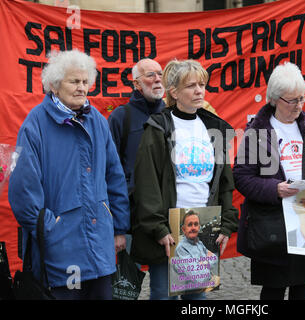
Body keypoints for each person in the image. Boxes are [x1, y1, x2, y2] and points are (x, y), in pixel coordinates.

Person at [8, 50, 130, 300]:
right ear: (54, 85)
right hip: (62, 251)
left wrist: (118, 227)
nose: (82, 88)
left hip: (100, 245)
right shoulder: (35, 124)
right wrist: (50, 229)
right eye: (74, 81)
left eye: (85, 82)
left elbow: (114, 175)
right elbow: (22, 189)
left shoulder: (97, 119)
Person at [130, 59, 239, 300]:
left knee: (197, 298)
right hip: (168, 227)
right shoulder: (158, 127)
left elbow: (224, 183)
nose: (199, 90)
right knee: (163, 295)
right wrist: (158, 228)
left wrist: (226, 223)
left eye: (201, 84)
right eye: (191, 86)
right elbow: (147, 183)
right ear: (174, 92)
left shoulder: (215, 128)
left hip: (203, 225)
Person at [233, 62, 305, 300]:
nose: (299, 105)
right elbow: (242, 177)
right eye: (292, 100)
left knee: (302, 286)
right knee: (274, 287)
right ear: (274, 99)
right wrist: (275, 189)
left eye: (302, 98)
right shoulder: (258, 131)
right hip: (272, 223)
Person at [108, 58, 166, 256]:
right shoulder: (120, 117)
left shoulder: (172, 115)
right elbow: (109, 172)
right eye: (151, 75)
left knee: (161, 286)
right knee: (126, 285)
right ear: (136, 83)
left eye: (160, 74)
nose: (158, 79)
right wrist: (118, 227)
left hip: (163, 218)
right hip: (130, 216)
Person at [170, 210, 219, 295]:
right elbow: (198, 279)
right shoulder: (181, 248)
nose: (193, 228)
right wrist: (206, 262)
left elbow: (215, 258)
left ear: (199, 227)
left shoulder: (199, 243)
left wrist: (201, 264)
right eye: (190, 225)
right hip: (193, 291)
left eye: (196, 224)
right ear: (183, 229)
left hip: (202, 289)